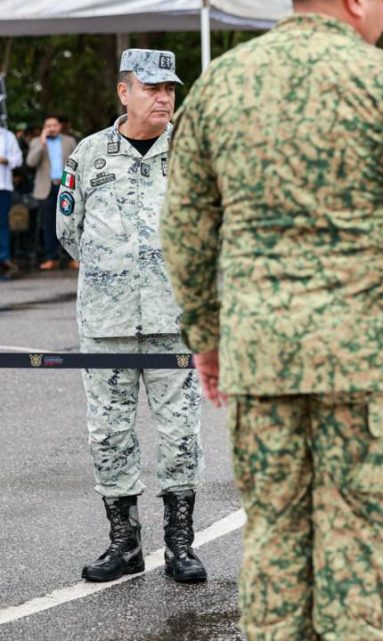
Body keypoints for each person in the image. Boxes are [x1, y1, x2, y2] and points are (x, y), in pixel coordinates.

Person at [161, 1, 383, 638]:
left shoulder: (224, 81)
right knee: (353, 553)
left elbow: (184, 226)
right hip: (364, 362)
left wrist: (206, 333)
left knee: (273, 539)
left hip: (261, 356)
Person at [54, 49, 207, 585]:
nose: (164, 96)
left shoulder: (191, 153)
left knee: (180, 434)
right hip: (107, 323)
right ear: (125, 92)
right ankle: (123, 544)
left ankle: (181, 545)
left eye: (170, 88)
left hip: (175, 321)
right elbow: (68, 234)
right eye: (152, 87)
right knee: (110, 432)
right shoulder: (89, 156)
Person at [25, 114, 77, 270]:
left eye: (54, 125)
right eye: (48, 126)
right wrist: (42, 143)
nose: (51, 128)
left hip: (65, 186)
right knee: (48, 225)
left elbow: (77, 164)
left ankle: (72, 257)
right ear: (44, 128)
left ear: (59, 126)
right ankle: (51, 258)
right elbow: (30, 163)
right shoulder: (36, 142)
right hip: (46, 188)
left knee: (69, 223)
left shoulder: (69, 141)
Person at [0, 124, 23, 276]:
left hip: (3, 186)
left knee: (2, 223)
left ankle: (3, 257)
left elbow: (19, 159)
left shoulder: (8, 136)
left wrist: (6, 160)